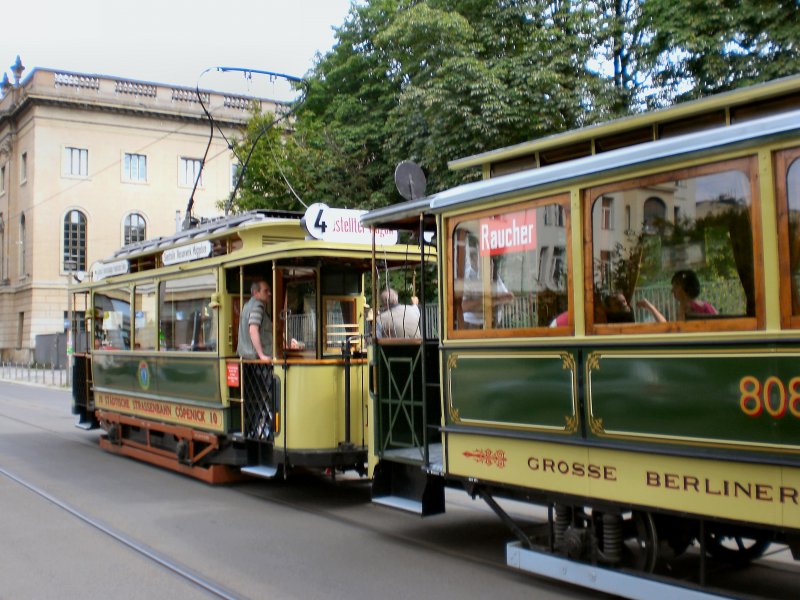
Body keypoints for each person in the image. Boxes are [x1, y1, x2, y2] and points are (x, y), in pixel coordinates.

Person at [637, 269, 717, 322]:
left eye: (675, 286)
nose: (672, 290)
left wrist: (651, 308)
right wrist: (651, 308)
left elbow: (675, 332)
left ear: (683, 288)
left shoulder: (690, 308)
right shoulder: (691, 306)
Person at [237, 279, 273, 360]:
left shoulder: (247, 306)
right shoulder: (257, 306)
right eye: (265, 291)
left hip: (246, 356)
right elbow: (253, 330)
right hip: (257, 358)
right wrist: (261, 355)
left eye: (269, 291)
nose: (269, 293)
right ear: (255, 293)